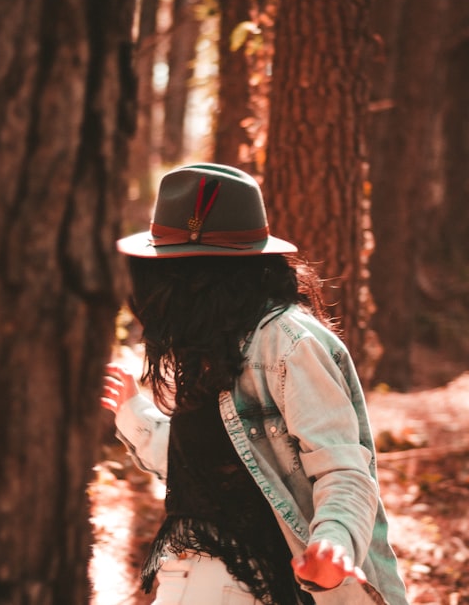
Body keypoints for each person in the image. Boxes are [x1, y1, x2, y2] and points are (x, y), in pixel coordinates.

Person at [102, 163, 409, 605]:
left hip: (241, 583)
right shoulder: (216, 342)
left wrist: (335, 542)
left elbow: (344, 467)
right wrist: (135, 414)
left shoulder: (286, 343)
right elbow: (214, 473)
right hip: (199, 573)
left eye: (173, 272)